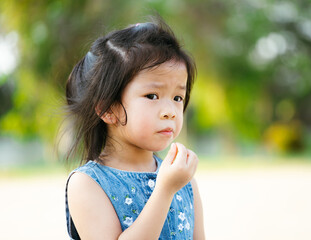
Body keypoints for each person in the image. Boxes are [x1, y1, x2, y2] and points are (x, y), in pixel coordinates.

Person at [64, 17, 205, 240]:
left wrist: (172, 184)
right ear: (108, 109)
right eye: (152, 96)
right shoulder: (88, 183)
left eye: (178, 97)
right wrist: (165, 190)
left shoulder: (182, 180)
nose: (170, 110)